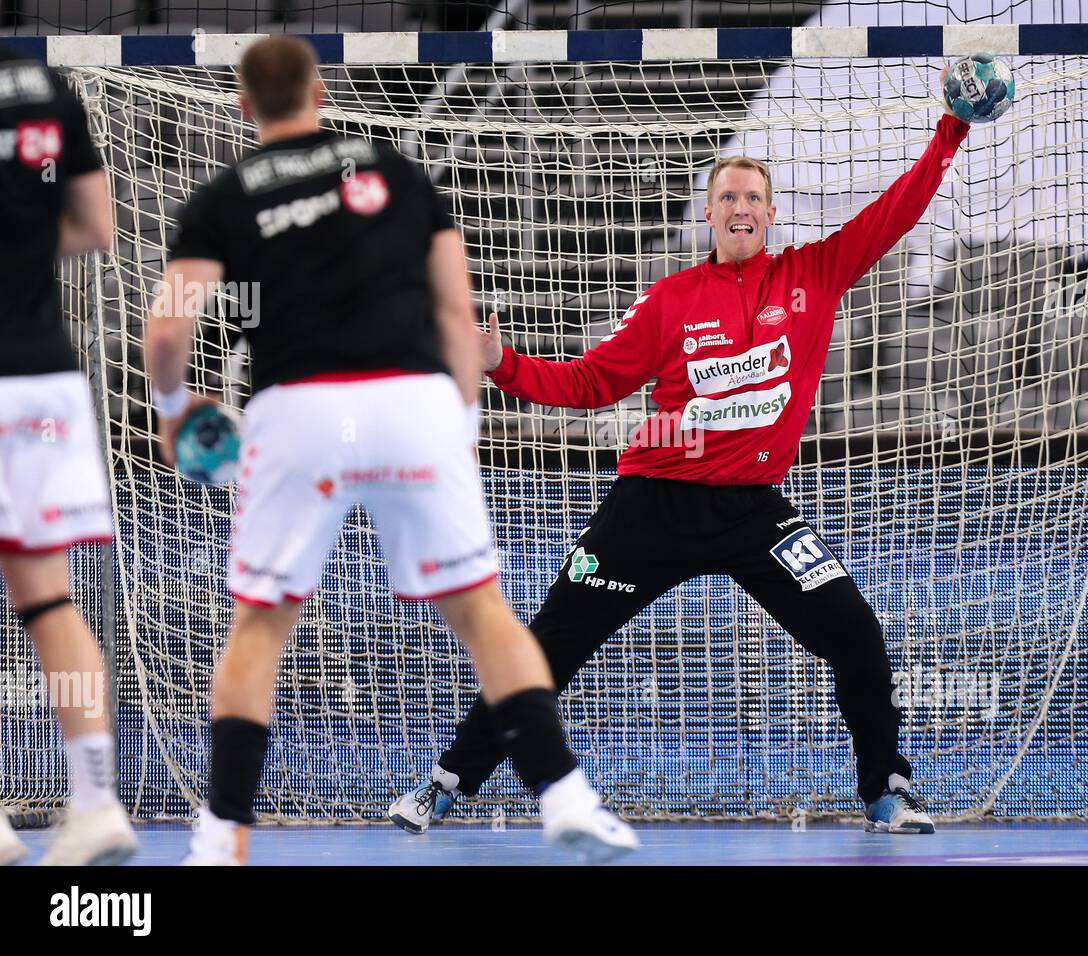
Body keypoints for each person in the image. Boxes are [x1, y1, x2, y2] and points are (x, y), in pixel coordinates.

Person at [389, 83, 971, 837]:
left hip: (755, 511)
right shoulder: (670, 300)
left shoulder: (815, 275)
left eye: (753, 197)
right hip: (652, 504)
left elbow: (896, 212)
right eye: (727, 195)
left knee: (855, 633)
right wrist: (503, 363)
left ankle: (886, 790)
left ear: (769, 212)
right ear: (709, 212)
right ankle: (444, 785)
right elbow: (590, 382)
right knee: (547, 646)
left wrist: (949, 134)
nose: (740, 207)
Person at [145, 35, 637, 865]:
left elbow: (168, 328)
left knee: (260, 628)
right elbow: (455, 306)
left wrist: (170, 407)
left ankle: (223, 834)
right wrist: (465, 423)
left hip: (295, 412)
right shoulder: (392, 167)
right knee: (482, 612)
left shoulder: (221, 196)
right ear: (321, 91)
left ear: (242, 105)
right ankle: (567, 798)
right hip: (411, 405)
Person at [0, 43, 139, 865]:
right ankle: (95, 806)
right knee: (50, 602)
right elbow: (97, 228)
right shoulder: (43, 88)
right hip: (43, 381)